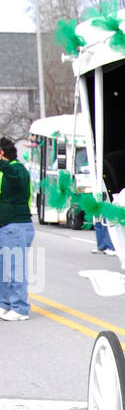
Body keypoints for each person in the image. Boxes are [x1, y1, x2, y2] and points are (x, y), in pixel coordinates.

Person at [0, 136, 34, 321]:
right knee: (3, 269)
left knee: (14, 269)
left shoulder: (17, 168)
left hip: (16, 226)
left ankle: (20, 308)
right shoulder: (7, 171)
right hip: (7, 227)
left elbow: (16, 177)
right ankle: (4, 304)